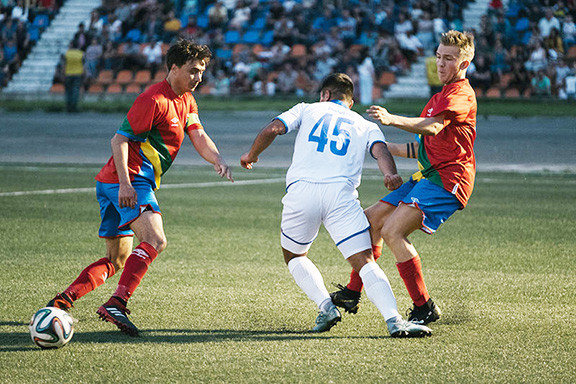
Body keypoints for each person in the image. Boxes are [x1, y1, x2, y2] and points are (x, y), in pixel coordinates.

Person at [45, 40, 234, 336]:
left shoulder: (187, 100)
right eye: (193, 71)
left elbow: (197, 134)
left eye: (201, 72)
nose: (198, 77)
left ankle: (60, 302)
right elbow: (118, 141)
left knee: (116, 259)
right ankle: (117, 303)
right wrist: (127, 184)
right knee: (156, 240)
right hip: (130, 181)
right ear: (173, 68)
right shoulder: (153, 99)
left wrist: (217, 159)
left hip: (113, 182)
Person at [240, 73, 432, 338]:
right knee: (365, 262)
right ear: (350, 102)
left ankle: (326, 306)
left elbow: (273, 129)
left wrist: (251, 155)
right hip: (340, 197)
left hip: (301, 193)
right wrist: (390, 174)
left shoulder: (306, 109)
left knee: (294, 256)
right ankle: (394, 320)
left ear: (325, 94)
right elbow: (380, 151)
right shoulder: (363, 123)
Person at [330, 30, 477, 326]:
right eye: (438, 57)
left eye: (449, 59)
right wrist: (375, 147)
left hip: (449, 180)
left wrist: (391, 118)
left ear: (464, 64)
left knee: (393, 231)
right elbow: (421, 146)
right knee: (370, 220)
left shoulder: (460, 93)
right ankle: (352, 292)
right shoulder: (440, 96)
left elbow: (432, 129)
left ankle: (424, 306)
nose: (441, 63)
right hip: (428, 174)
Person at [63, 41, 84, 113]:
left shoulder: (67, 53)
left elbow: (64, 64)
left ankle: (68, 106)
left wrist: (63, 73)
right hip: (78, 73)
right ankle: (74, 106)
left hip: (68, 73)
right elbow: (83, 64)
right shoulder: (81, 53)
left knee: (68, 91)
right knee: (75, 91)